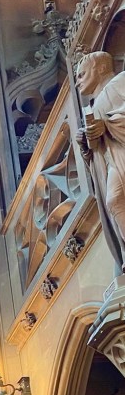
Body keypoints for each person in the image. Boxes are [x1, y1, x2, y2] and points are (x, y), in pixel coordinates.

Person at [76, 51, 125, 269]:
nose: (78, 81)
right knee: (113, 200)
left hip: (121, 153)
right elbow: (97, 157)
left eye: (82, 74)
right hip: (110, 161)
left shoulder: (119, 82)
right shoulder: (93, 105)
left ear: (101, 68)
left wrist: (108, 125)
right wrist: (85, 144)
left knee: (116, 199)